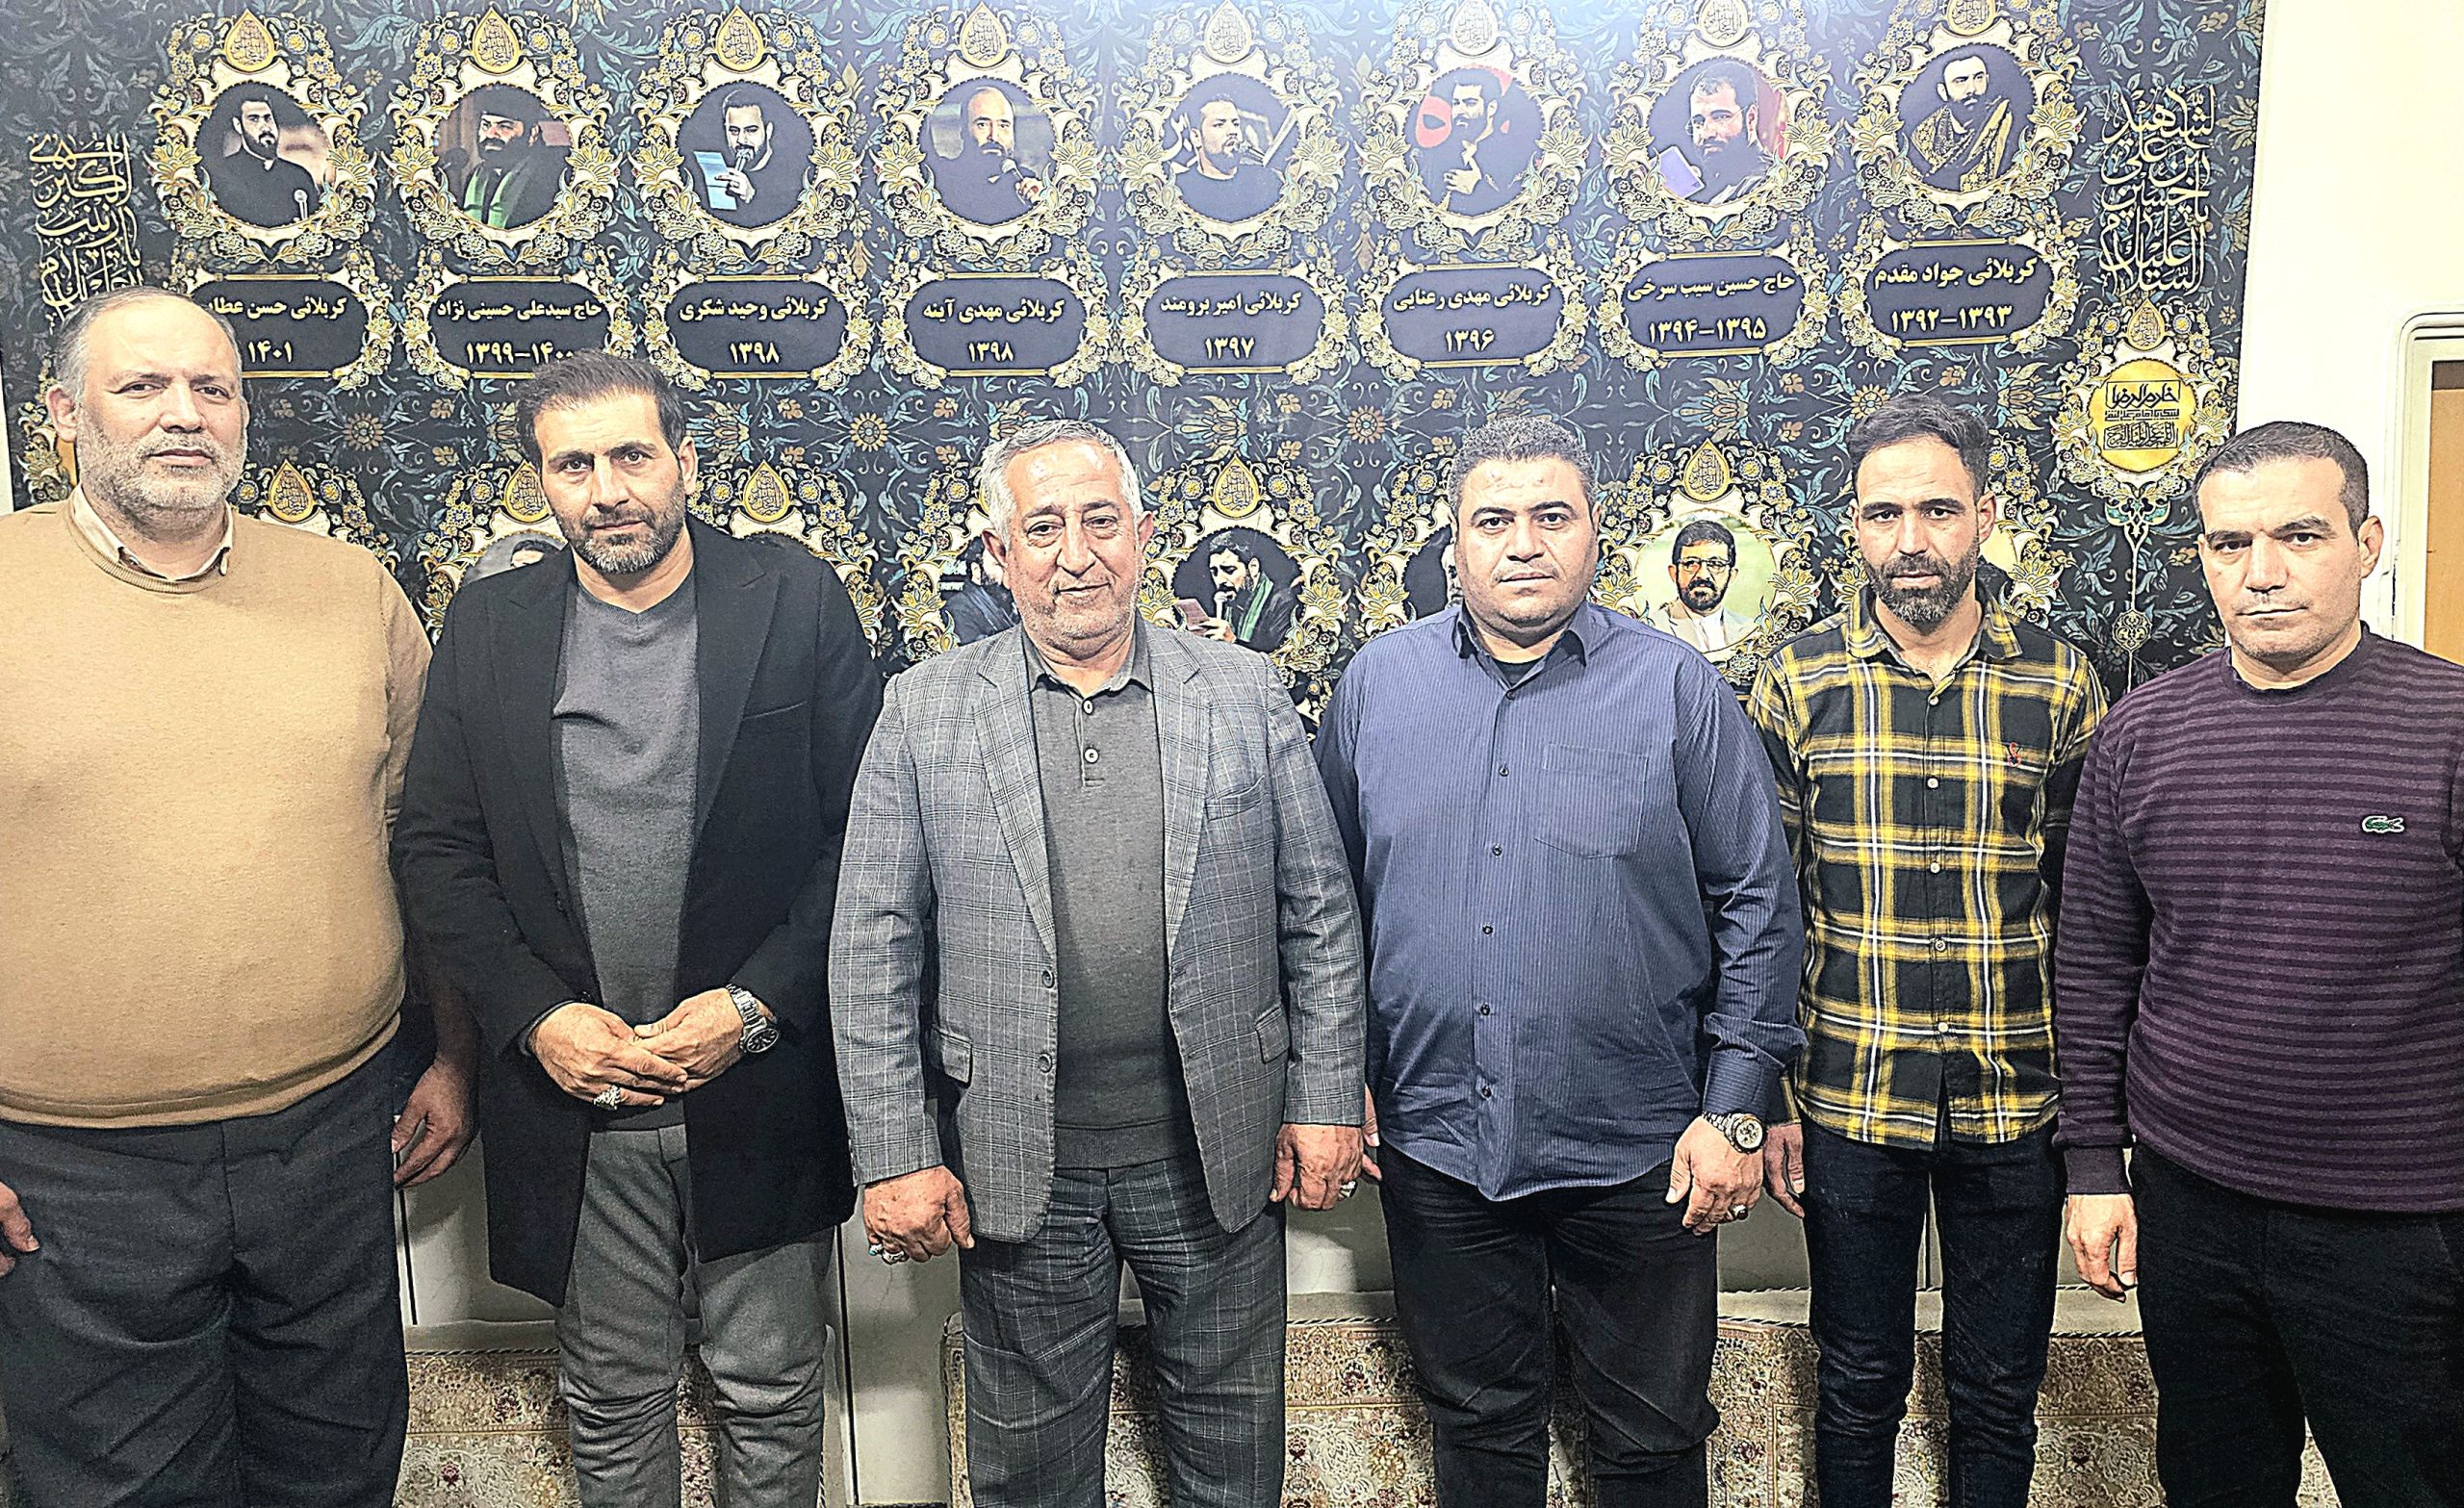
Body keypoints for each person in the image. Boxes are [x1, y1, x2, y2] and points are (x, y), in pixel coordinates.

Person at [831, 418, 1367, 1508]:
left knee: (1233, 1470)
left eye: (1099, 522)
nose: (1074, 554)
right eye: (1042, 528)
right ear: (999, 552)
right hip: (1017, 1162)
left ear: (1143, 535)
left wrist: (1323, 1099)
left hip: (1215, 1154)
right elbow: (871, 949)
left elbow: (1317, 912)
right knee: (1031, 1479)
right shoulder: (923, 711)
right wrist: (894, 1153)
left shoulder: (1243, 691)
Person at [0, 286, 473, 1504]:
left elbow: (428, 846)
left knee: (339, 1470)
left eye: (212, 389)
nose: (184, 415)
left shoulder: (350, 590)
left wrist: (454, 1055)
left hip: (335, 1134)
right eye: (142, 386)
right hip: (72, 1172)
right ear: (62, 413)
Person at [393, 352, 883, 1507]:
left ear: (685, 462)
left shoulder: (792, 597)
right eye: (573, 464)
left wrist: (753, 1007)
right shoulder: (491, 624)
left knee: (770, 1387)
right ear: (541, 483)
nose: (607, 489)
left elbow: (867, 835)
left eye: (631, 455)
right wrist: (536, 1018)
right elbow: (437, 850)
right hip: (576, 1097)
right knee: (611, 1399)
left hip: (756, 1081)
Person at [1316, 414, 1803, 1508]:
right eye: (1494, 520)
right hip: (1439, 1140)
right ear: (1454, 543)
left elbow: (1759, 906)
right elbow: (1323, 902)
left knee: (1651, 1440)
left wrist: (1734, 1109)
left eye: (1551, 516)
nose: (1523, 544)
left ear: (1596, 534)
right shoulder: (1377, 687)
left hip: (1646, 1151)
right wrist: (1334, 1074)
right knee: (1478, 1435)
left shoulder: (1677, 689)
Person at [2056, 421, 2464, 1507]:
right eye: (2229, 543)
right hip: (2191, 1204)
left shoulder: (2448, 725)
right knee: (2213, 1482)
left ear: (2366, 543)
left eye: (2299, 536)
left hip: (2399, 1224)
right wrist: (2094, 1168)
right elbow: (2094, 964)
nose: (2263, 572)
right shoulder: (2140, 734)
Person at [1749, 396, 2106, 1508]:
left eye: (1938, 510)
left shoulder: (2061, 681)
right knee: (1856, 1382)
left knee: (1999, 1387)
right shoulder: (1797, 682)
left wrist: (2098, 1118)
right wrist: (1766, 1096)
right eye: (1883, 513)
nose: (1911, 539)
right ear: (1853, 527)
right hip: (1849, 1096)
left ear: (1984, 517)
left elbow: (2092, 908)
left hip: (2017, 1098)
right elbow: (1763, 908)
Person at [444, 84, 567, 230]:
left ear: (532, 134)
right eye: (486, 125)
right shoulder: (476, 177)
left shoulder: (553, 177)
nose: (491, 134)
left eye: (504, 127)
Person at [1419, 69, 1531, 216]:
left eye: (1470, 103)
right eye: (1456, 103)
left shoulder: (1516, 154)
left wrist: (1478, 188)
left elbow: (1525, 208)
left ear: (1492, 108)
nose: (1460, 111)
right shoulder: (1435, 156)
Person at [690, 87, 805, 228]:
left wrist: (752, 198)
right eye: (734, 131)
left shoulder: (793, 176)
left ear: (768, 131)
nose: (741, 140)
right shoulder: (713, 168)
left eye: (751, 130)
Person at [208, 85, 321, 227]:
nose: (265, 127)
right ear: (238, 125)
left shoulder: (299, 176)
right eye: (254, 119)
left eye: (268, 118)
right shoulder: (219, 177)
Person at [1907, 51, 2019, 192]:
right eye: (1961, 81)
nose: (1972, 89)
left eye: (1978, 78)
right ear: (1943, 91)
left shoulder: (2006, 123)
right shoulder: (1923, 137)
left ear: (1987, 80)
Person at [933, 85, 1044, 225]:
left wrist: (1041, 209)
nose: (994, 137)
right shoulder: (941, 178)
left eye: (1003, 126)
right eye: (982, 125)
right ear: (963, 131)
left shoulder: (1025, 182)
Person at [1654, 518, 1754, 660]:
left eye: (1716, 564)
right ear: (1674, 573)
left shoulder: (1751, 630)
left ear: (1731, 575)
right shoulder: (1652, 630)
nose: (1703, 574)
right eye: (1690, 563)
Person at [1173, 88, 1279, 221]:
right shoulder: (1178, 189)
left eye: (1235, 124)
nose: (1232, 131)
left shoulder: (1266, 179)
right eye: (1219, 125)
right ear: (1196, 137)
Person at [1681, 61, 1775, 205]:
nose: (1706, 133)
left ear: (1751, 118)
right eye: (1698, 122)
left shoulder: (1764, 185)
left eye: (1721, 117)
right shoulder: (1715, 187)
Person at [1201, 530, 1296, 652]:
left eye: (1229, 570)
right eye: (1214, 572)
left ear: (1253, 568)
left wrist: (1232, 641)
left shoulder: (1282, 602)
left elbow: (1282, 656)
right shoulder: (1230, 604)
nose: (1220, 580)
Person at [943, 534, 1017, 644]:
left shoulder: (1010, 604)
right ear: (976, 570)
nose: (1008, 573)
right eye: (998, 565)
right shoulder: (959, 610)